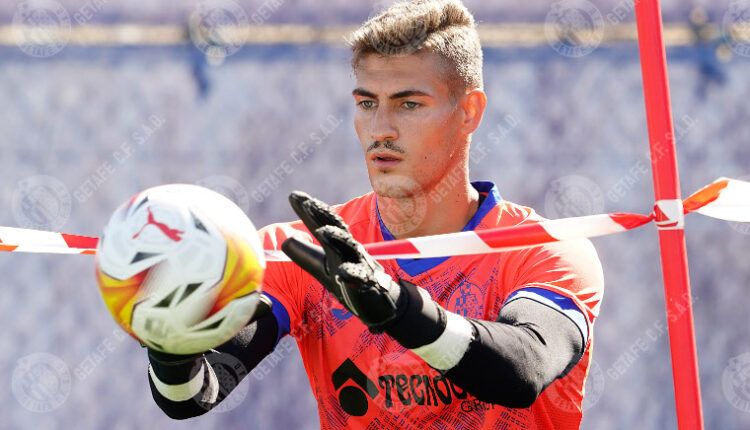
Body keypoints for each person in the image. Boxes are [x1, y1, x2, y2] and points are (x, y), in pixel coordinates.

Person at [146, 0, 604, 428]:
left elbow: (521, 370)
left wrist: (400, 309)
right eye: (367, 103)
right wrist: (170, 346)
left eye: (409, 104)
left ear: (469, 111)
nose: (381, 129)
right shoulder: (307, 250)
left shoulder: (543, 249)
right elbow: (194, 395)